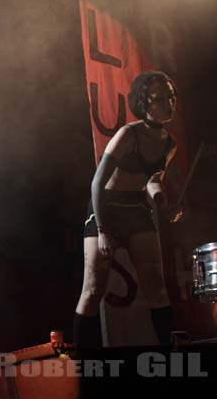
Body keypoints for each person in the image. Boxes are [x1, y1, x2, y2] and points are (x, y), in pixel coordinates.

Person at [74, 71, 181, 348]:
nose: (169, 103)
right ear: (144, 102)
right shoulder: (128, 134)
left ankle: (170, 358)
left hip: (136, 208)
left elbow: (154, 181)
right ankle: (84, 366)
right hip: (106, 207)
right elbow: (98, 182)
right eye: (160, 98)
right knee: (93, 289)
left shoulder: (169, 143)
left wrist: (163, 205)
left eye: (171, 97)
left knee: (156, 288)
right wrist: (103, 229)